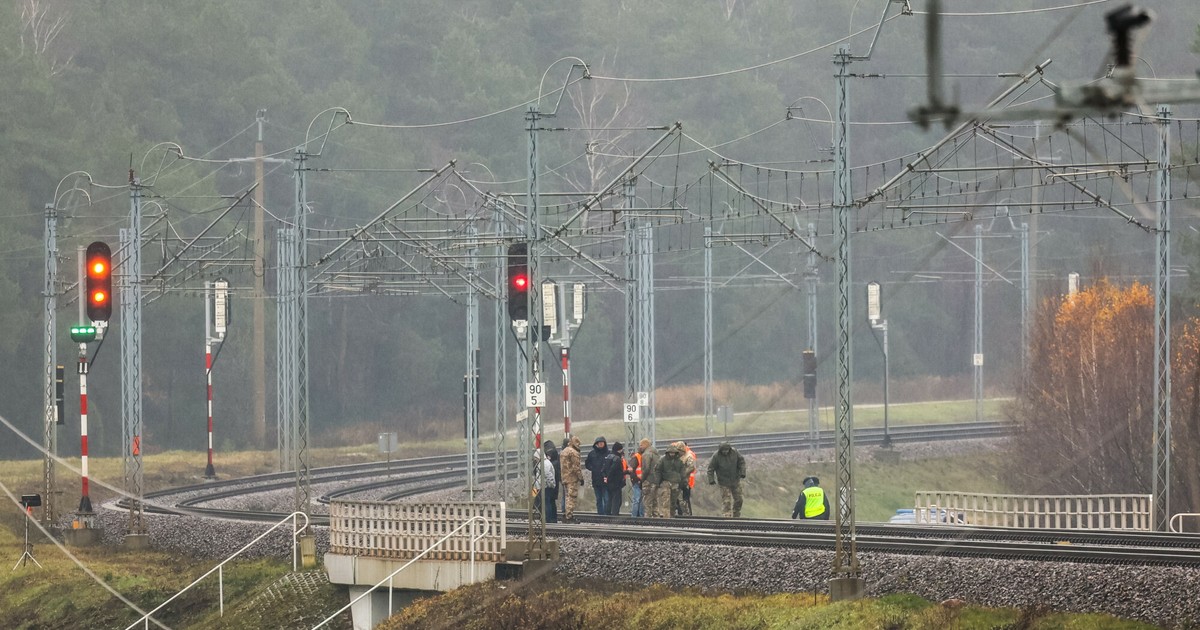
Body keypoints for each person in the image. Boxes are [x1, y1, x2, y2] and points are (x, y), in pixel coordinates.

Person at [707, 442, 746, 518]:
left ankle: (736, 514)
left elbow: (741, 462)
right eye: (723, 450)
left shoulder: (735, 453)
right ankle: (727, 516)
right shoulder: (716, 456)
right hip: (723, 482)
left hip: (735, 480)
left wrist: (742, 472)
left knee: (739, 499)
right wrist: (711, 479)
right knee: (726, 501)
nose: (725, 452)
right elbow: (710, 468)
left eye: (727, 450)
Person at [650, 444, 686, 518]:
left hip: (676, 484)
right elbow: (658, 470)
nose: (672, 454)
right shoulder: (662, 460)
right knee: (666, 502)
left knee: (673, 503)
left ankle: (671, 517)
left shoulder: (679, 461)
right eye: (670, 453)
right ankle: (666, 519)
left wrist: (683, 483)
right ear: (668, 453)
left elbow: (683, 473)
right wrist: (657, 482)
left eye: (673, 453)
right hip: (665, 482)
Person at [584, 436, 610, 515]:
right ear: (596, 444)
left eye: (602, 443)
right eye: (599, 443)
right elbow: (587, 463)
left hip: (605, 480)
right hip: (596, 479)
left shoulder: (608, 453)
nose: (601, 444)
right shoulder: (592, 454)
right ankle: (600, 514)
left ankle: (606, 514)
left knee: (606, 499)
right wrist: (592, 468)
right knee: (598, 499)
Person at [560, 436, 583, 522]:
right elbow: (576, 467)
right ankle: (569, 516)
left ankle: (566, 514)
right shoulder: (573, 453)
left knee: (567, 496)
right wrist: (581, 478)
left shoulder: (564, 451)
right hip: (572, 478)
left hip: (564, 477)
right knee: (571, 497)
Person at [671, 441, 697, 516]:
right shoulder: (677, 457)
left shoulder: (688, 456)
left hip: (684, 482)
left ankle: (687, 516)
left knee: (684, 501)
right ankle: (680, 515)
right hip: (676, 482)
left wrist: (682, 474)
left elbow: (691, 467)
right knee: (677, 501)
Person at [603, 441, 629, 515]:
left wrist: (606, 478)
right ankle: (614, 516)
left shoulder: (608, 457)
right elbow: (616, 472)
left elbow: (603, 470)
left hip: (608, 483)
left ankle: (607, 515)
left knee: (609, 500)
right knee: (616, 500)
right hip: (616, 483)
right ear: (619, 450)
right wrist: (627, 472)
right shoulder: (617, 459)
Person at [636, 438, 660, 518]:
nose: (640, 447)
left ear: (645, 445)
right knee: (655, 503)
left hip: (648, 481)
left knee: (647, 503)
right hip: (656, 481)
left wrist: (642, 480)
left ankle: (648, 521)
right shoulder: (656, 454)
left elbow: (646, 469)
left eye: (641, 445)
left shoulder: (646, 454)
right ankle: (657, 519)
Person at [542, 441, 561, 523]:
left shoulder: (546, 462)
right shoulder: (556, 457)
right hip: (555, 483)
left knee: (547, 502)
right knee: (552, 501)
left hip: (548, 484)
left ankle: (548, 519)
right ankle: (554, 518)